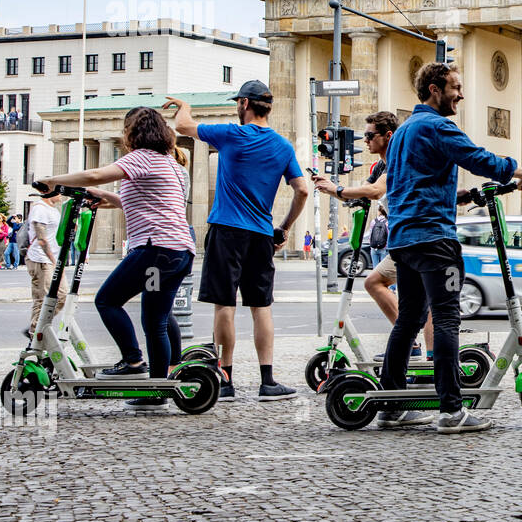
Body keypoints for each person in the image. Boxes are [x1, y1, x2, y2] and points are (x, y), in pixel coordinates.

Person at [380, 62, 522, 433]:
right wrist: (519, 171)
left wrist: (458, 195)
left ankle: (390, 404)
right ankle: (452, 411)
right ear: (435, 89)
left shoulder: (403, 132)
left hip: (403, 239)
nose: (461, 94)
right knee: (447, 318)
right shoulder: (437, 126)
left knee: (409, 319)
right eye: (456, 87)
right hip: (434, 240)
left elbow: (413, 185)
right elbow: (478, 158)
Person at [38, 106, 196, 407]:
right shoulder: (171, 164)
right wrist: (108, 198)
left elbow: (96, 174)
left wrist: (53, 180)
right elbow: (147, 201)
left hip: (156, 251)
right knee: (156, 320)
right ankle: (158, 386)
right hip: (177, 253)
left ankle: (134, 362)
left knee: (108, 300)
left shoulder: (142, 157)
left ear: (133, 132)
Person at [166, 80, 310, 402]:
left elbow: (184, 126)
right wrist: (284, 228)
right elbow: (302, 190)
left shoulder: (231, 134)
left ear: (244, 104)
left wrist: (184, 106)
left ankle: (226, 380)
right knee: (262, 308)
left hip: (226, 231)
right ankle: (268, 381)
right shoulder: (283, 146)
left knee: (224, 306)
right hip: (261, 234)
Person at [309, 110, 435, 361]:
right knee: (375, 283)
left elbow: (376, 191)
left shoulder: (401, 159)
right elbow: (364, 192)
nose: (365, 141)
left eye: (369, 136)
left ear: (388, 136)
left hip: (423, 236)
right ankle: (411, 345)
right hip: (404, 239)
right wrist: (329, 188)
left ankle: (431, 360)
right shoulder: (379, 166)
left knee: (429, 302)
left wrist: (339, 188)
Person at [24, 192, 65, 332]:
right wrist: (53, 260)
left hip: (54, 258)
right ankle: (35, 333)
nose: (61, 195)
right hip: (41, 258)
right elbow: (41, 239)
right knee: (43, 299)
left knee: (62, 296)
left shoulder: (53, 209)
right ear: (50, 193)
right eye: (59, 192)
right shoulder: (40, 208)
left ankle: (39, 326)